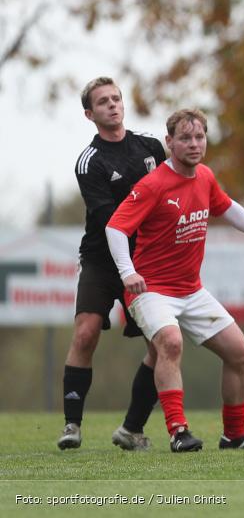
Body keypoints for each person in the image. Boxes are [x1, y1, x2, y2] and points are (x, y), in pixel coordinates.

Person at [105, 108, 244, 452]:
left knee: (240, 354)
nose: (194, 144)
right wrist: (127, 272)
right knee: (170, 343)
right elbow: (116, 227)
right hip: (151, 291)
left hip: (191, 290)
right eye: (185, 138)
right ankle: (179, 432)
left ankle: (234, 436)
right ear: (169, 142)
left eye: (199, 137)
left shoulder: (205, 177)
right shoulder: (153, 185)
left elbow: (227, 207)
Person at [59, 77, 167, 451]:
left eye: (116, 98)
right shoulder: (90, 162)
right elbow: (111, 221)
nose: (112, 105)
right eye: (103, 102)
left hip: (149, 260)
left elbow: (176, 192)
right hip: (103, 261)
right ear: (90, 114)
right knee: (86, 333)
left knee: (162, 344)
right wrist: (126, 268)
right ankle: (72, 424)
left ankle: (131, 430)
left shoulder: (151, 147)